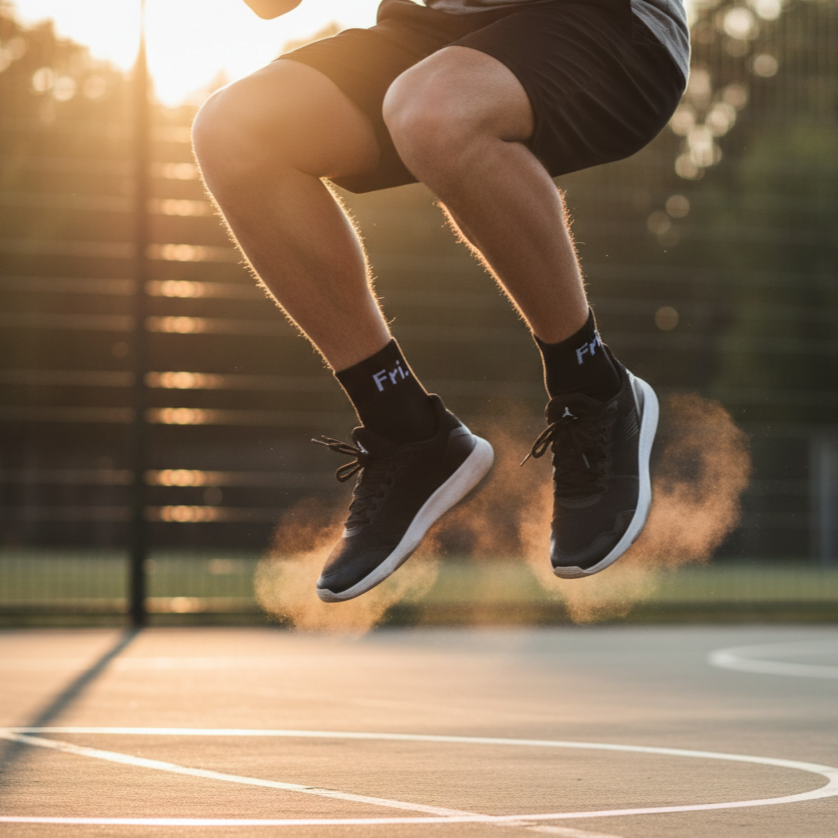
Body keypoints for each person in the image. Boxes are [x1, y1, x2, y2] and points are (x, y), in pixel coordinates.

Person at [192, 0, 690, 602]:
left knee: (434, 111)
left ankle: (594, 388)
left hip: (608, 24)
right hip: (438, 33)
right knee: (235, 128)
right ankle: (406, 430)